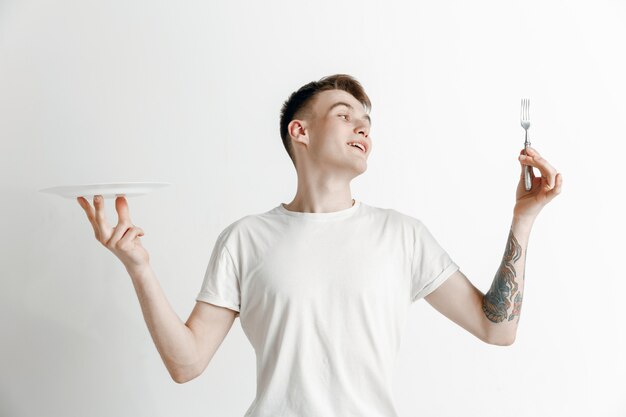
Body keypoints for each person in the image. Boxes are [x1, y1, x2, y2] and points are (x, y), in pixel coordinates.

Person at [77, 74, 563, 416]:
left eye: (367, 120)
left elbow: (497, 329)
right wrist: (138, 267)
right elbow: (186, 364)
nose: (363, 127)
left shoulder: (402, 235)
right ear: (300, 131)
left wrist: (523, 218)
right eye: (344, 114)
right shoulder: (245, 239)